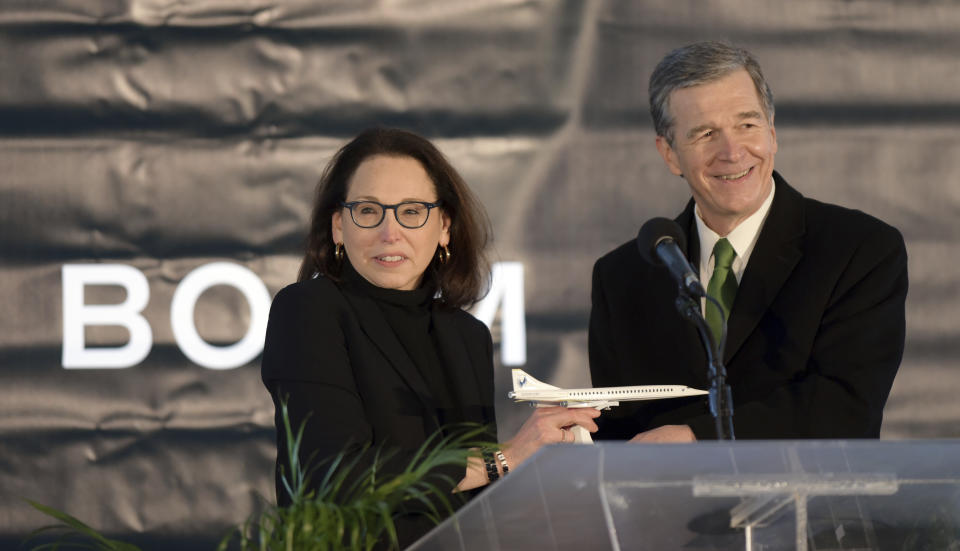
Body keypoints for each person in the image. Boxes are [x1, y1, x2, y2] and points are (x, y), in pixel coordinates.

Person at [261, 127, 600, 546]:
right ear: (337, 226)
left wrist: (547, 465)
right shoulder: (307, 310)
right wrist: (505, 458)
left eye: (412, 211)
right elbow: (335, 480)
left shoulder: (467, 335)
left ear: (443, 226)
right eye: (368, 211)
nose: (390, 232)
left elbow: (474, 500)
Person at [589, 42, 908, 442]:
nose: (732, 151)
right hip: (666, 505)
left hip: (811, 503)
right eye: (705, 133)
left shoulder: (859, 249)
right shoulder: (623, 277)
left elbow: (845, 407)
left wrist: (696, 437)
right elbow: (619, 432)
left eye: (747, 125)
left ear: (772, 133)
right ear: (670, 155)